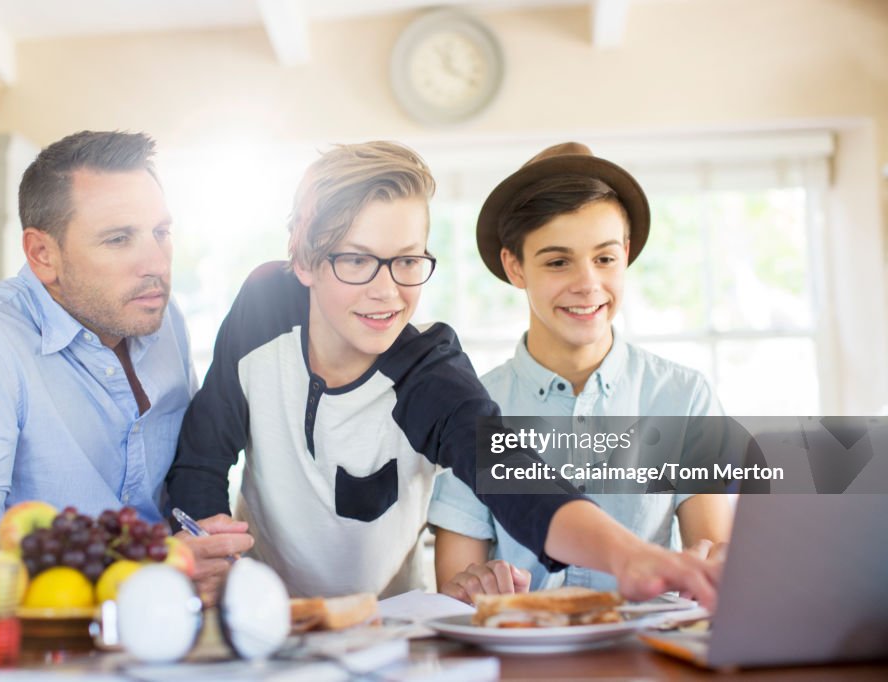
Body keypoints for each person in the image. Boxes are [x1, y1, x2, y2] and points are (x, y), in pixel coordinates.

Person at [167, 141, 721, 608]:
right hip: (255, 608)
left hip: (385, 624)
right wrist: (209, 544)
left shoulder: (429, 371)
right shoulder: (264, 308)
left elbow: (516, 478)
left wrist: (629, 556)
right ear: (305, 261)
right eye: (356, 260)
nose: (387, 292)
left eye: (408, 261)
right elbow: (202, 452)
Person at [0, 131, 250, 600]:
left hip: (159, 631)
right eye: (119, 238)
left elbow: (167, 503)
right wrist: (156, 569)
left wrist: (199, 553)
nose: (156, 264)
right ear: (43, 255)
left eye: (161, 233)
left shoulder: (164, 322)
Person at [429, 141, 733, 605]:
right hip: (523, 662)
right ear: (515, 266)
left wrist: (711, 565)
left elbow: (712, 559)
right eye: (557, 261)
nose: (588, 283)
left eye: (605, 258)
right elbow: (454, 588)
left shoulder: (684, 397)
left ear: (626, 254)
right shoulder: (473, 412)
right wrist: (475, 585)